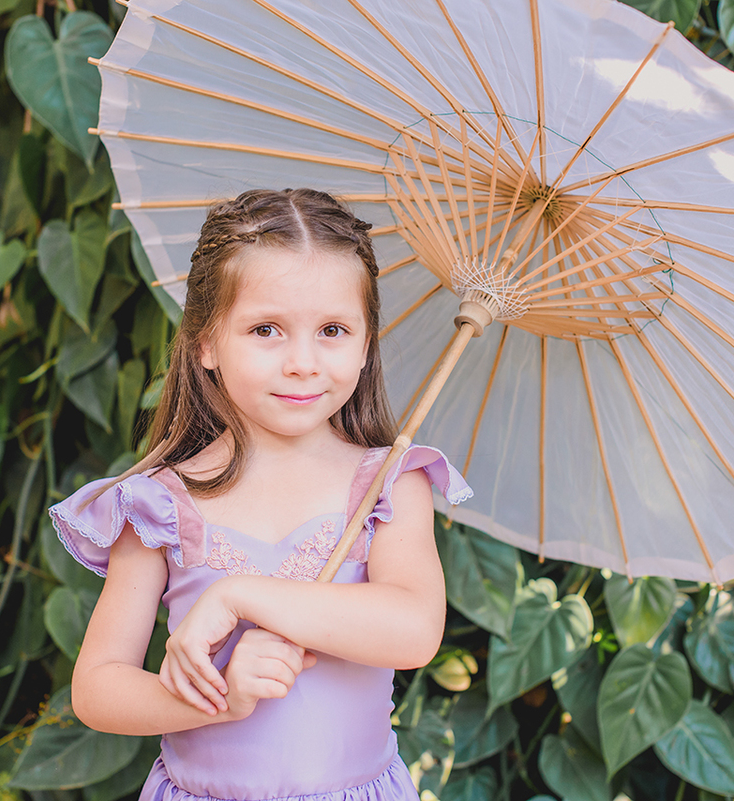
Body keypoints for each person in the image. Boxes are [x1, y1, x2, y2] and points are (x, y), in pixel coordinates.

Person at [49, 188, 472, 801]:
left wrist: (241, 593)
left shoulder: (387, 485)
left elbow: (413, 630)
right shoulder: (159, 505)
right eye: (266, 329)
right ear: (206, 343)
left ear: (366, 342)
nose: (302, 362)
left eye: (332, 329)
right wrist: (217, 700)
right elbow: (97, 689)